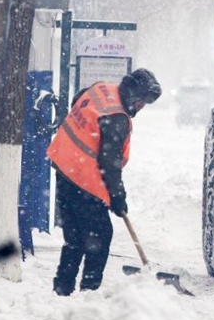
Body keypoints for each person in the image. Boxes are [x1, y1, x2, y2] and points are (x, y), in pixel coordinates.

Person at [47, 68, 162, 295]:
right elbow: (109, 163)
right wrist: (118, 197)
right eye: (141, 101)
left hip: (63, 168)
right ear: (132, 95)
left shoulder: (101, 88)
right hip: (82, 181)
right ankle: (90, 291)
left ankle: (62, 287)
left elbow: (77, 100)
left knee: (75, 237)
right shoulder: (117, 118)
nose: (141, 107)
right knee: (99, 237)